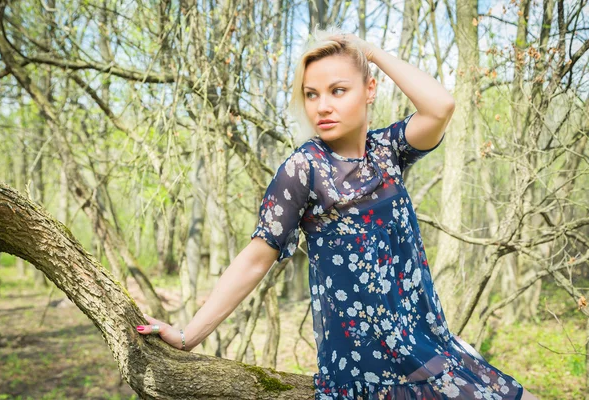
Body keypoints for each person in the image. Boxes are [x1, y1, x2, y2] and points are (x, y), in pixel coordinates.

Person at [138, 25, 539, 400]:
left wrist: (371, 53)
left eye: (337, 90)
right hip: (362, 366)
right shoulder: (304, 169)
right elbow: (254, 260)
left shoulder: (389, 152)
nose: (322, 106)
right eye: (311, 94)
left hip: (424, 344)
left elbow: (441, 106)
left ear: (370, 90)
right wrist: (188, 336)